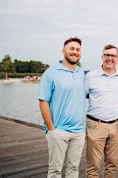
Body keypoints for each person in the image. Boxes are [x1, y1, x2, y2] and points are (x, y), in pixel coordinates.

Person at [38, 37, 86, 178]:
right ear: (63, 51)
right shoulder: (50, 73)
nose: (75, 52)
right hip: (59, 130)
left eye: (78, 50)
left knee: (74, 168)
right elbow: (43, 101)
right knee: (55, 171)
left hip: (79, 132)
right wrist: (51, 129)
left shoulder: (80, 73)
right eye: (71, 48)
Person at [84, 44, 118, 178]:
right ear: (102, 57)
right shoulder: (91, 76)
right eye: (107, 55)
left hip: (115, 126)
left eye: (113, 56)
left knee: (112, 164)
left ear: (117, 59)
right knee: (93, 165)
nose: (109, 58)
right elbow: (81, 97)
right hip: (95, 125)